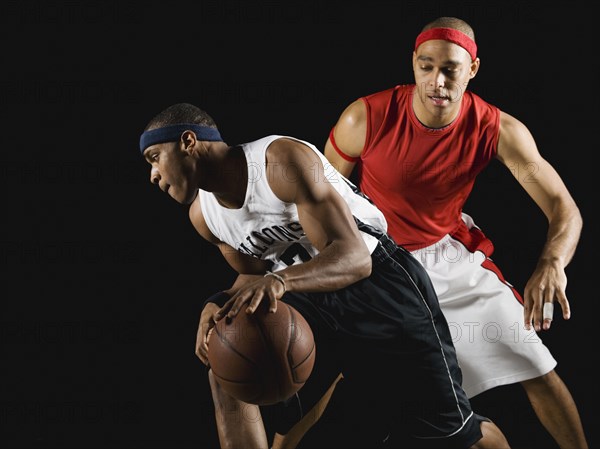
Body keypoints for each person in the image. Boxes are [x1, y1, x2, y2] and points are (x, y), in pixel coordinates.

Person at [138, 102, 511, 448]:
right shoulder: (204, 218)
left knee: (458, 435)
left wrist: (281, 281)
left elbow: (353, 258)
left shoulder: (278, 162)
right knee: (226, 356)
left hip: (379, 285)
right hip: (310, 299)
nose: (153, 176)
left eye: (155, 158)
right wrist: (217, 305)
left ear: (189, 142)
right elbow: (253, 275)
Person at [322, 16, 587, 449]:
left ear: (473, 70)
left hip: (445, 256)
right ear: (413, 64)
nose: (437, 81)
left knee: (536, 363)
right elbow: (320, 202)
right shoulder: (364, 117)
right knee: (327, 370)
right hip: (375, 258)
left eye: (450, 69)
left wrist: (552, 262)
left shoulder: (497, 129)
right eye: (426, 67)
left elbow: (565, 209)